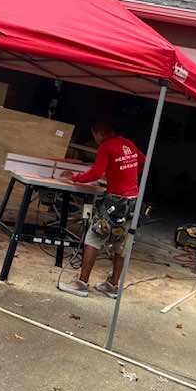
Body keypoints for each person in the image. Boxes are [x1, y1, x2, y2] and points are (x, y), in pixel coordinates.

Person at [58, 118, 144, 298]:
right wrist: (122, 174)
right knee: (121, 243)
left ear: (99, 133)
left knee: (94, 238)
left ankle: (81, 283)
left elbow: (95, 173)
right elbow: (143, 162)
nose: (95, 140)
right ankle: (112, 285)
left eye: (94, 136)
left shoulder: (106, 146)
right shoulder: (129, 144)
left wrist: (74, 177)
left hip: (115, 201)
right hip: (132, 201)